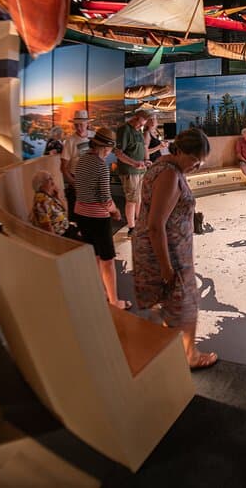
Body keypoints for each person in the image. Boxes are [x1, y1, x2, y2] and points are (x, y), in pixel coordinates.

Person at [132, 128, 218, 369]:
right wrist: (166, 268)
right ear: (179, 151)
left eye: (201, 161)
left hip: (165, 248)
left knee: (167, 304)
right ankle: (189, 355)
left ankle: (170, 350)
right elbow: (156, 225)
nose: (198, 166)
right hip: (167, 251)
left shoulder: (164, 166)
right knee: (186, 302)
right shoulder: (169, 175)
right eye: (194, 160)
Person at [74, 127, 129, 309]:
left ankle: (101, 292)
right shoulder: (101, 166)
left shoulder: (81, 161)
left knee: (95, 256)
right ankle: (114, 301)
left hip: (81, 214)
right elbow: (105, 198)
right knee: (107, 259)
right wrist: (115, 212)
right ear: (106, 148)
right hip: (97, 218)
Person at [115, 109, 152, 237]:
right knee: (131, 199)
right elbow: (119, 153)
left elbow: (143, 148)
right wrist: (133, 163)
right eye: (140, 124)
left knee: (139, 199)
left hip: (140, 170)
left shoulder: (138, 132)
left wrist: (146, 160)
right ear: (135, 118)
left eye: (143, 125)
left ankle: (139, 223)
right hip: (130, 171)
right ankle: (131, 227)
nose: (141, 126)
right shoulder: (124, 130)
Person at [61, 110, 94, 222]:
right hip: (77, 179)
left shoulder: (94, 137)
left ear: (87, 124)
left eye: (81, 124)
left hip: (92, 179)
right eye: (76, 125)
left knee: (91, 213)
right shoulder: (70, 141)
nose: (79, 128)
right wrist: (74, 184)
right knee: (77, 216)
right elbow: (63, 168)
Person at [29, 170, 68, 235]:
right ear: (41, 184)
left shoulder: (49, 196)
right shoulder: (41, 200)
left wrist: (58, 197)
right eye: (49, 178)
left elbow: (65, 211)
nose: (53, 180)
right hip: (61, 235)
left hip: (65, 229)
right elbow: (46, 226)